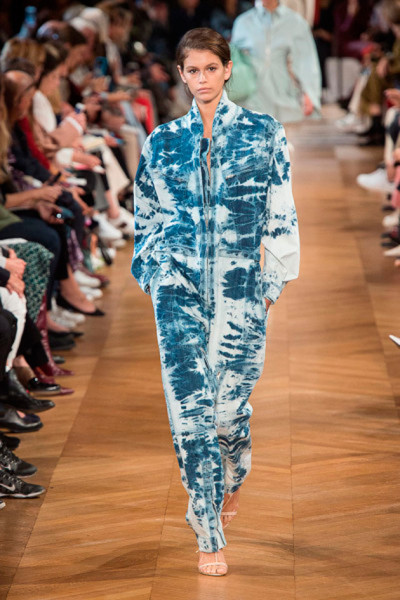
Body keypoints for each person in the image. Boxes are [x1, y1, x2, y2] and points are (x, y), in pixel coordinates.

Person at [131, 27, 300, 576]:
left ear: (228, 69)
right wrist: (154, 274)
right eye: (192, 70)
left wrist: (270, 286)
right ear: (181, 76)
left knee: (226, 414)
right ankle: (208, 531)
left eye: (211, 68)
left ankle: (234, 468)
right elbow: (146, 216)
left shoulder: (262, 132)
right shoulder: (162, 141)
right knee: (190, 416)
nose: (202, 79)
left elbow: (281, 210)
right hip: (176, 290)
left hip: (240, 290)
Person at [231, 0, 321, 122]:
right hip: (251, 103)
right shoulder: (242, 23)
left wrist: (309, 95)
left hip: (286, 104)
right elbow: (235, 63)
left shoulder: (296, 23)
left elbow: (307, 63)